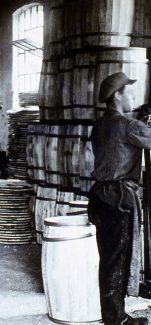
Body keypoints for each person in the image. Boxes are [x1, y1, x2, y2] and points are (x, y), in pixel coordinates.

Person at [88, 72, 151, 325]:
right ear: (117, 95)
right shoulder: (129, 125)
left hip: (100, 196)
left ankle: (116, 314)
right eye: (130, 92)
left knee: (109, 257)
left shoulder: (100, 124)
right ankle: (115, 320)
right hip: (119, 197)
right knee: (118, 259)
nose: (133, 98)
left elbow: (113, 145)